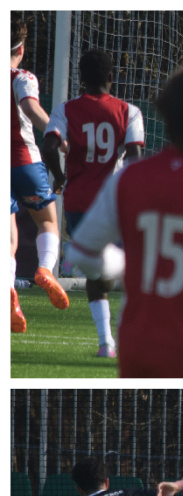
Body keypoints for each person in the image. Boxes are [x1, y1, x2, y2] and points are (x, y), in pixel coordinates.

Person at [63, 65, 183, 377]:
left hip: (136, 348)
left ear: (165, 113)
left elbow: (82, 253)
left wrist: (129, 264)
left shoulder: (128, 178)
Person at [41, 48, 145, 358]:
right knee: (106, 273)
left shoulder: (65, 109)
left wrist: (59, 176)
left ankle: (106, 343)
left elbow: (49, 145)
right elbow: (135, 159)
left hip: (78, 202)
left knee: (97, 274)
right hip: (113, 204)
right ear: (112, 77)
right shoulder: (129, 112)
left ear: (81, 78)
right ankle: (114, 339)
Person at [11, 16, 71, 326]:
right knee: (48, 221)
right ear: (20, 49)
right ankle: (45, 268)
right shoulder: (22, 77)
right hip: (25, 162)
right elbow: (30, 108)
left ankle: (8, 289)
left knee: (9, 236)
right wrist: (57, 135)